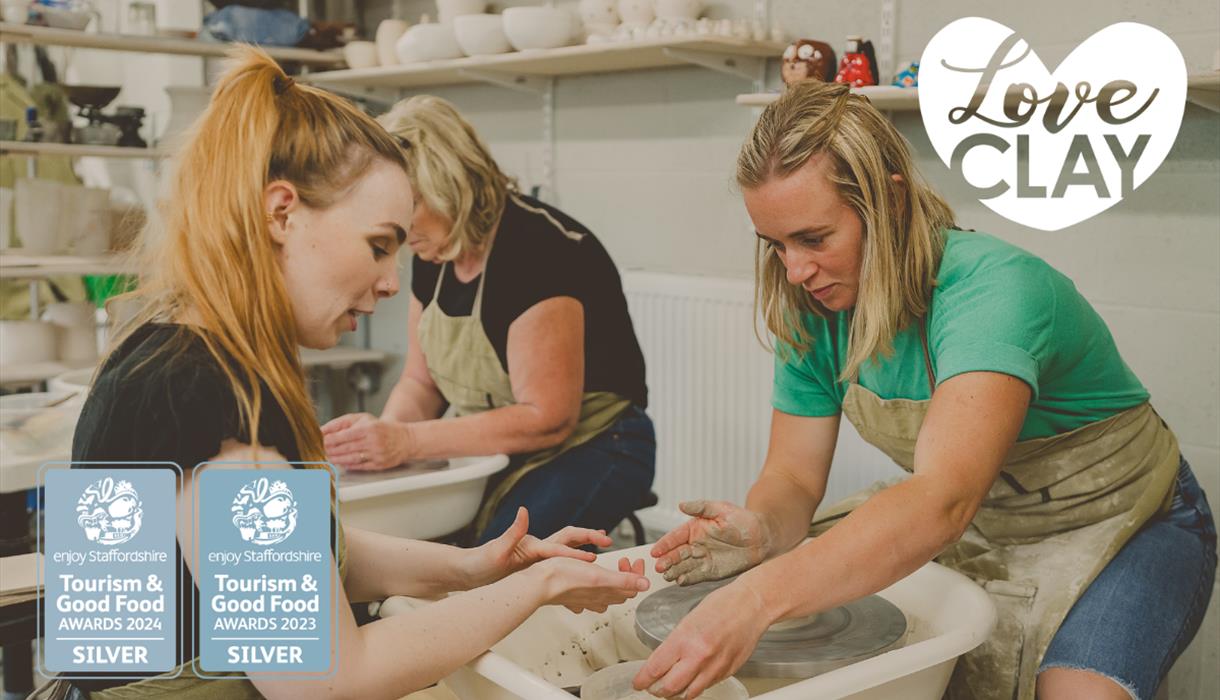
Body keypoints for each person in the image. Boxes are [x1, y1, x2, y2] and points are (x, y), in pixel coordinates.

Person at [59, 47, 649, 700]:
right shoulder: (206, 402)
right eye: (378, 246)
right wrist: (534, 587)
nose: (393, 284)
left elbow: (312, 553)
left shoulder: (172, 349)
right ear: (280, 213)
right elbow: (327, 677)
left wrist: (474, 568)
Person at [635, 80, 1216, 700]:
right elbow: (795, 481)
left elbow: (942, 499)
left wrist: (755, 597)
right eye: (775, 245)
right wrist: (762, 532)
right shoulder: (811, 309)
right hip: (980, 519)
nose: (795, 270)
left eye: (813, 238)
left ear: (890, 200)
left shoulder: (994, 293)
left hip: (1128, 518)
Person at [321, 95, 656, 545]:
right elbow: (422, 384)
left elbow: (547, 418)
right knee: (402, 544)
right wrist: (381, 444)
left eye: (410, 206)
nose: (401, 233)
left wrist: (407, 442)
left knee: (492, 560)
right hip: (499, 445)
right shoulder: (433, 249)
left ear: (449, 184)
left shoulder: (538, 250)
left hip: (597, 444)